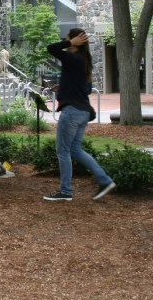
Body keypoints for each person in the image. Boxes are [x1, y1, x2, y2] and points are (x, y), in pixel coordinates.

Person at [43, 28, 115, 202]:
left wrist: (69, 43)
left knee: (63, 151)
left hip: (72, 112)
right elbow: (86, 88)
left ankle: (66, 191)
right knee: (75, 149)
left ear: (75, 41)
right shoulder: (84, 61)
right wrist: (64, 87)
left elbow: (51, 48)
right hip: (83, 112)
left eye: (67, 39)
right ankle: (104, 180)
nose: (66, 42)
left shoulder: (72, 58)